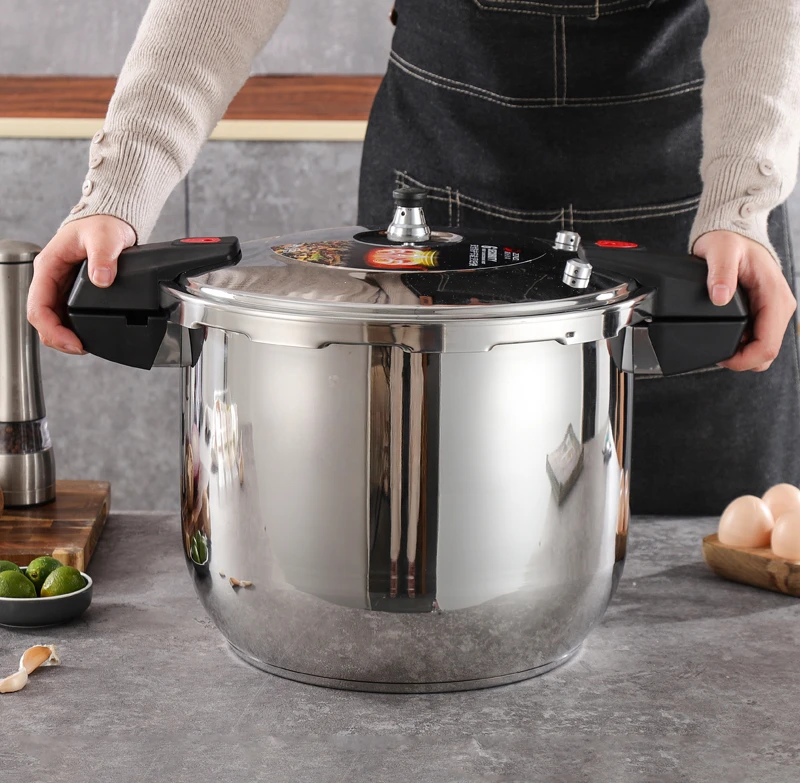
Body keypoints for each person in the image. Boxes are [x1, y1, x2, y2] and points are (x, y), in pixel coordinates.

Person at [26, 0, 800, 514]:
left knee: (711, 580)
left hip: (690, 219)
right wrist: (117, 190)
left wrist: (740, 202)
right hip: (436, 195)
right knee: (423, 551)